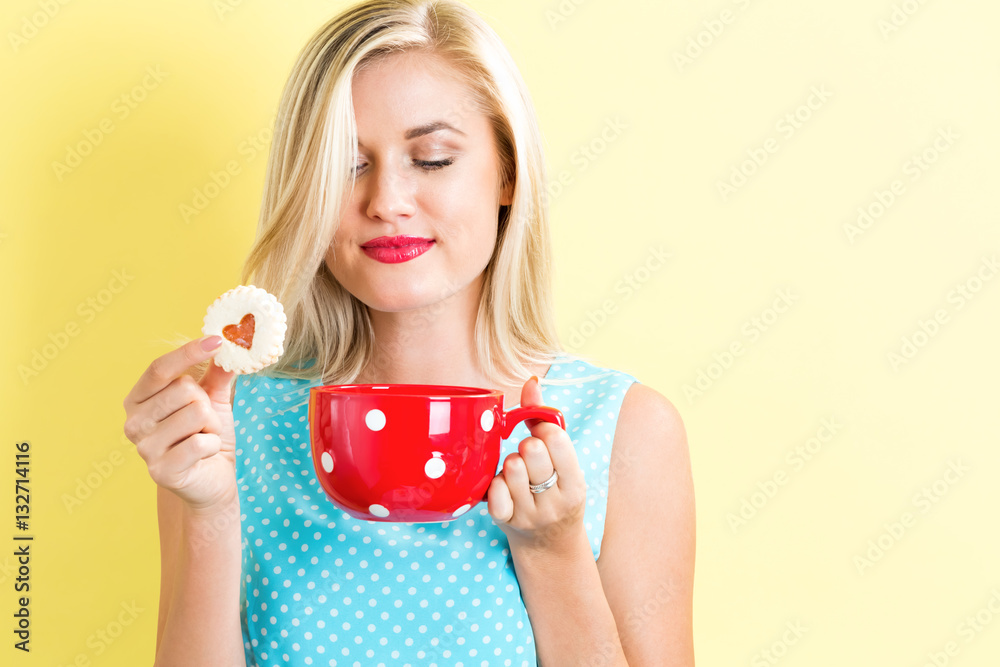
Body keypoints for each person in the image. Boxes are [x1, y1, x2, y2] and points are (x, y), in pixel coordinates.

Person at [123, 0, 695, 665]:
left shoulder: (624, 430)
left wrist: (553, 551)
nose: (387, 201)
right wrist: (208, 511)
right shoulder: (225, 428)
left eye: (431, 159)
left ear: (507, 172)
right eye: (346, 163)